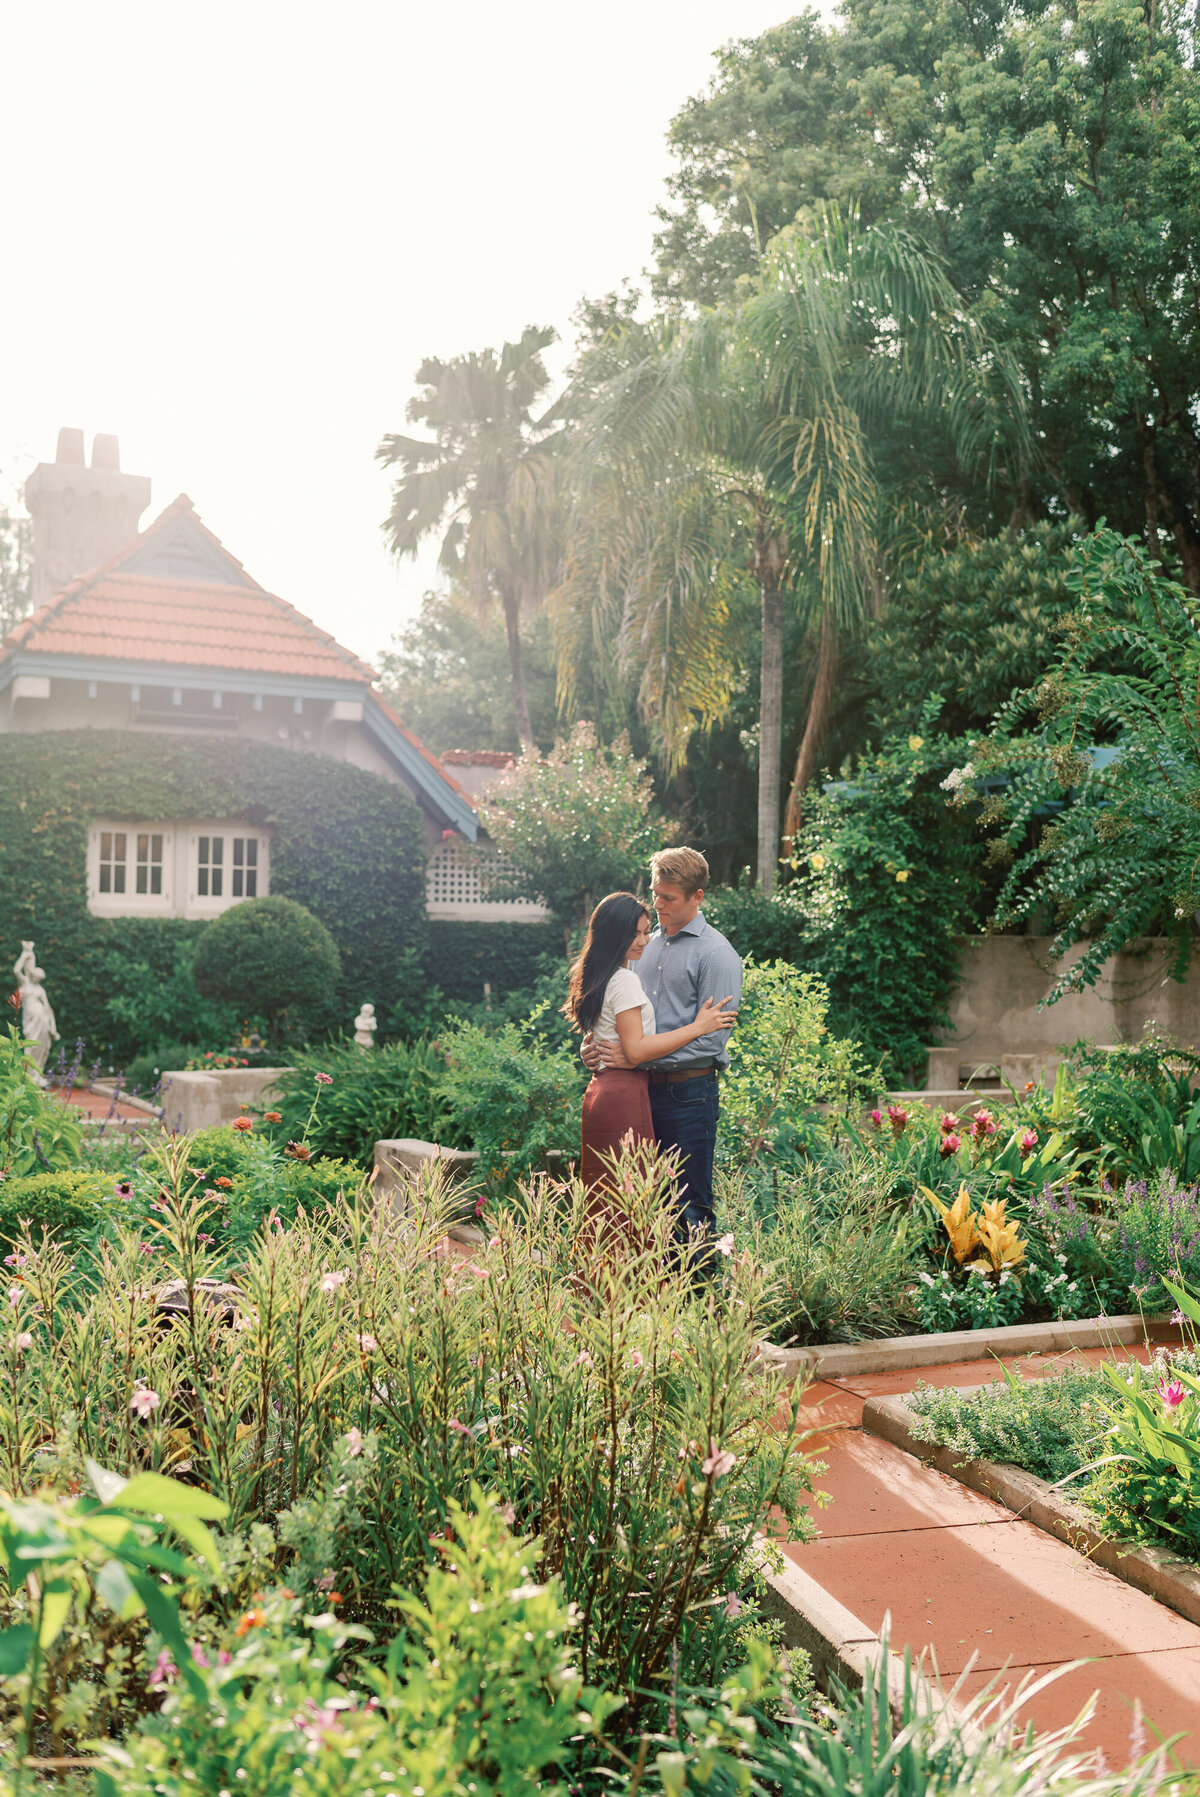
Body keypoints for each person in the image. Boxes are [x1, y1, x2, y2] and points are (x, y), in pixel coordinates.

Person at [581, 848, 742, 1260]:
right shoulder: (643, 946)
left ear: (697, 897)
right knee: (644, 1206)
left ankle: (698, 1312)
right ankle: (658, 1311)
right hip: (639, 1094)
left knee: (689, 1208)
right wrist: (595, 1046)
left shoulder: (717, 955)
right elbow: (623, 1015)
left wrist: (636, 1057)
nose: (657, 905)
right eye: (655, 893)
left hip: (688, 1096)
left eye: (668, 898)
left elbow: (710, 1041)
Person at [563, 890, 736, 1198]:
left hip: (603, 1092)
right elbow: (636, 1051)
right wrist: (697, 1027)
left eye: (645, 932)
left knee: (606, 1197)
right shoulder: (626, 976)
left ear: (696, 895)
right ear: (615, 935)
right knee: (632, 1201)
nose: (644, 940)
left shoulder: (602, 972)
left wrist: (591, 1047)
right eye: (636, 934)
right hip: (623, 1093)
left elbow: (602, 1030)